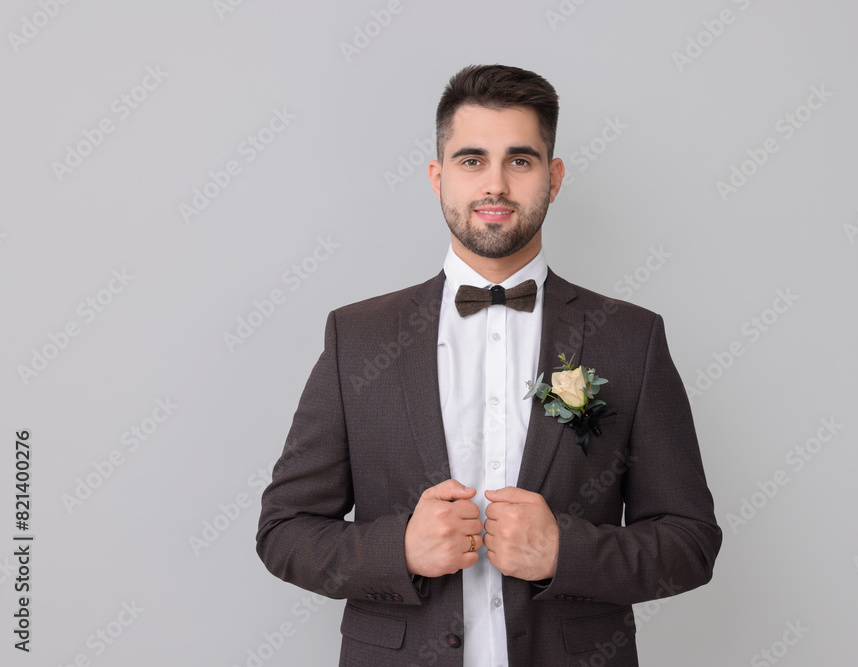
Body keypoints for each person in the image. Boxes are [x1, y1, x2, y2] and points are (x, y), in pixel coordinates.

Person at [256, 64, 722, 667]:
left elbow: (690, 543)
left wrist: (565, 552)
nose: (495, 185)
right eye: (472, 160)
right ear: (438, 176)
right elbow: (284, 531)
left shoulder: (632, 338)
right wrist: (398, 549)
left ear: (553, 178)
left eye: (520, 161)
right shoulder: (359, 337)